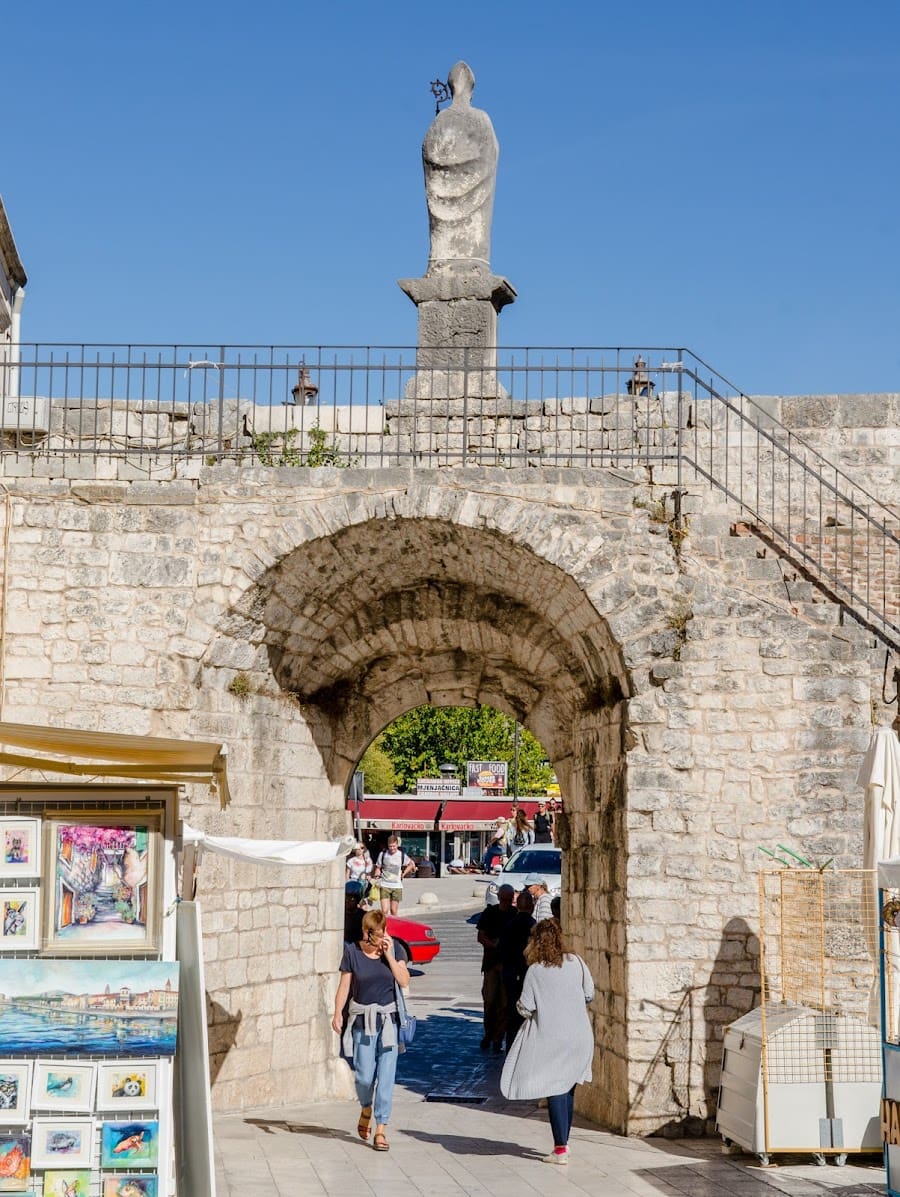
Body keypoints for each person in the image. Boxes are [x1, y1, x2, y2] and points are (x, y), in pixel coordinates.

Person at [500, 918, 595, 1165]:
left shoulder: (535, 971)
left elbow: (525, 1007)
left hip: (552, 1037)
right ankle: (564, 1142)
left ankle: (560, 1149)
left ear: (535, 942)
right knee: (568, 1087)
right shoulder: (577, 962)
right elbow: (589, 994)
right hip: (580, 1035)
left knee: (554, 1088)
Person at [332, 908, 410, 1152]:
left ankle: (381, 1128)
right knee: (364, 1077)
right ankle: (366, 1107)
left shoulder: (395, 949)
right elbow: (345, 986)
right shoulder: (352, 952)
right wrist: (337, 1013)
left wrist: (388, 956)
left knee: (386, 1077)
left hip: (388, 1022)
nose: (380, 936)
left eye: (382, 931)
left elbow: (404, 980)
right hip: (362, 1021)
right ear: (366, 932)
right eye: (375, 932)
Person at [476, 883, 516, 1053]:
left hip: (507, 964)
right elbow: (480, 936)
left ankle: (498, 1038)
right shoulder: (489, 913)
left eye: (509, 899)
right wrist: (493, 945)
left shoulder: (515, 915)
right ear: (499, 897)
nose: (506, 902)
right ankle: (488, 1034)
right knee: (490, 1000)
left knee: (504, 1004)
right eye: (504, 899)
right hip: (491, 963)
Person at [498, 888, 535, 1049]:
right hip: (527, 974)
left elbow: (502, 949)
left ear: (517, 906)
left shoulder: (509, 925)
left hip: (510, 974)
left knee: (511, 1011)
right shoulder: (533, 926)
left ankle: (511, 1045)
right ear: (532, 907)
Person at [373, 836, 416, 915]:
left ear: (397, 845)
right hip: (384, 885)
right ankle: (384, 923)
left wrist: (403, 874)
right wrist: (377, 874)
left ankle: (393, 923)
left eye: (394, 846)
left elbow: (411, 864)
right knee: (384, 910)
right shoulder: (383, 854)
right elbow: (378, 867)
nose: (392, 848)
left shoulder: (401, 855)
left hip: (397, 886)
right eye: (390, 846)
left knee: (393, 911)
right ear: (387, 845)